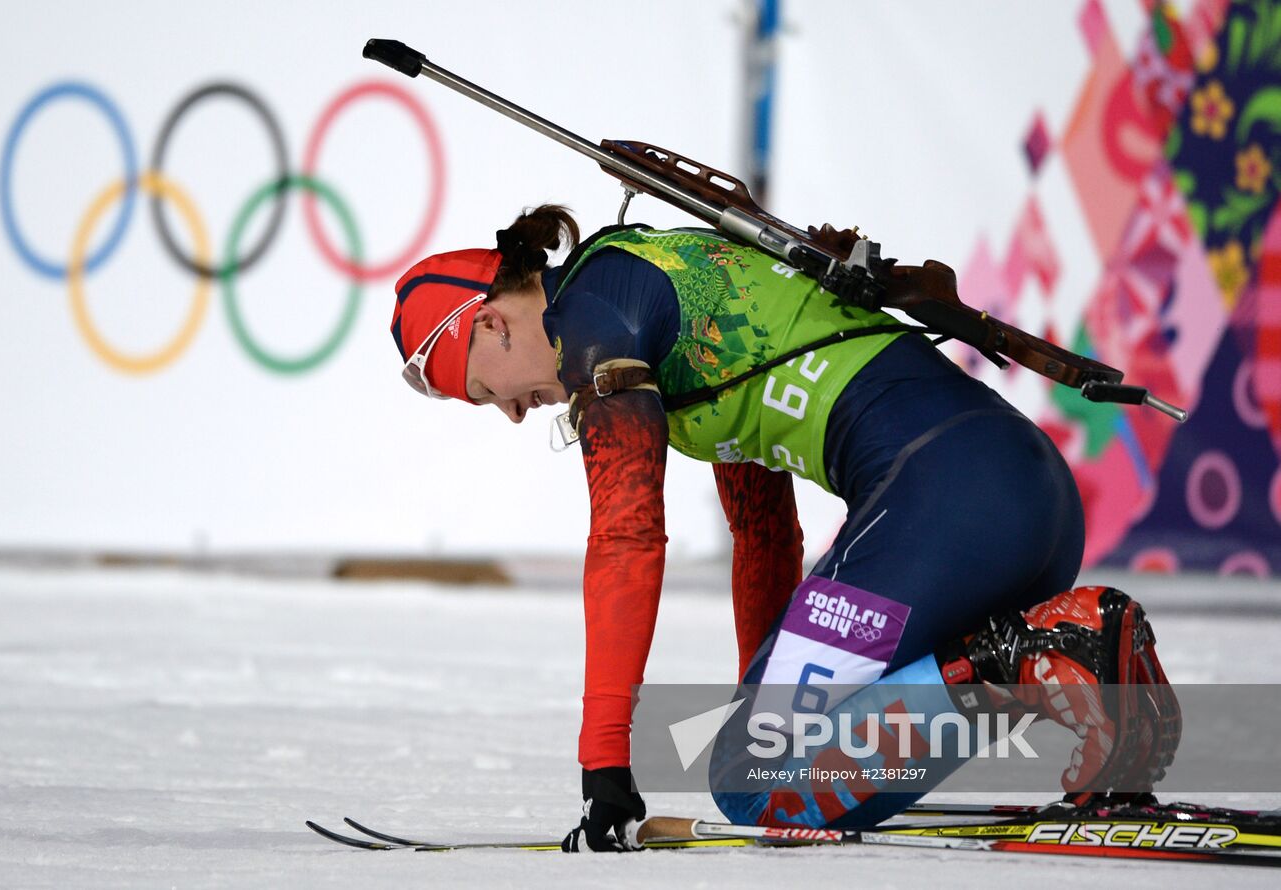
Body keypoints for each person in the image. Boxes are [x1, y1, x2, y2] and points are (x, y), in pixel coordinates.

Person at [389, 205, 1180, 852]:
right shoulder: (654, 273)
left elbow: (626, 539)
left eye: (488, 395)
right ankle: (1086, 678)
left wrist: (604, 759)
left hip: (949, 499)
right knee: (798, 780)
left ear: (490, 324)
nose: (515, 413)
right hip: (1026, 498)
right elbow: (763, 530)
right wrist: (764, 705)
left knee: (749, 782)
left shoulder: (592, 324)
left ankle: (1046, 651)